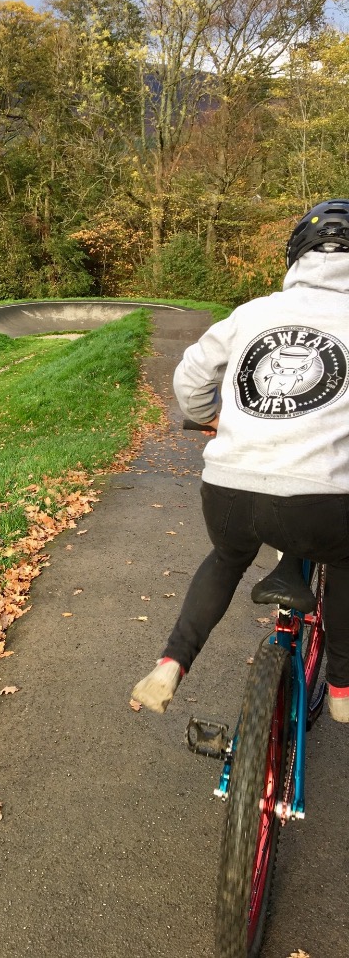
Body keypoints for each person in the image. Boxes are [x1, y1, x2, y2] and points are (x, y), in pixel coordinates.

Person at [131, 199, 349, 722]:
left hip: (229, 492)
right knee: (345, 560)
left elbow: (189, 379)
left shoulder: (253, 313)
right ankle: (342, 687)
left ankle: (170, 663)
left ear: (296, 254)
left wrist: (211, 416)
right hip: (321, 504)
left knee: (228, 558)